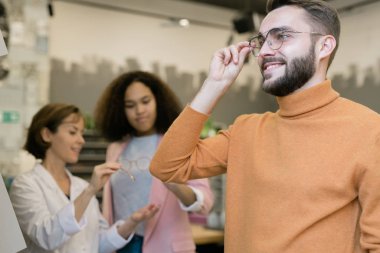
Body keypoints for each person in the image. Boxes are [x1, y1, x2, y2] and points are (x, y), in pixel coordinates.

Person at [150, 0, 380, 252]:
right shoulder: (246, 130)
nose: (264, 52)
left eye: (281, 36)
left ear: (324, 45)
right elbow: (167, 167)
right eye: (262, 41)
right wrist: (214, 85)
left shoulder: (370, 131)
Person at [10, 103, 159, 253]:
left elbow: (97, 243)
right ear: (47, 135)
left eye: (81, 133)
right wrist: (91, 190)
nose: (81, 140)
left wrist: (133, 221)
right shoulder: (25, 186)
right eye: (73, 132)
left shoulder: (80, 186)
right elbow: (46, 237)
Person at [94, 70, 214, 253]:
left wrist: (175, 186)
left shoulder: (178, 144)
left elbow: (205, 203)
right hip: (121, 245)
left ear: (158, 100)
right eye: (130, 105)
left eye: (145, 101)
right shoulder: (115, 148)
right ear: (121, 109)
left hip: (166, 247)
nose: (139, 111)